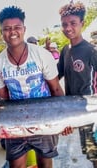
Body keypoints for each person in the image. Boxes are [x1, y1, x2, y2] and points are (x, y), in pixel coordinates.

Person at [0, 6, 72, 168]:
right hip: (15, 124)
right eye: (7, 28)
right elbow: (3, 99)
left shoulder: (42, 55)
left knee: (44, 164)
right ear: (2, 32)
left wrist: (65, 119)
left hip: (45, 119)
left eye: (17, 27)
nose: (12, 32)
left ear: (24, 29)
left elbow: (55, 89)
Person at [57, 1, 97, 163]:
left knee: (93, 149)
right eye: (64, 24)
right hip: (72, 110)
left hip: (91, 111)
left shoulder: (91, 51)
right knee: (88, 150)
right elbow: (56, 76)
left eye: (73, 23)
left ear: (83, 23)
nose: (68, 28)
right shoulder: (65, 50)